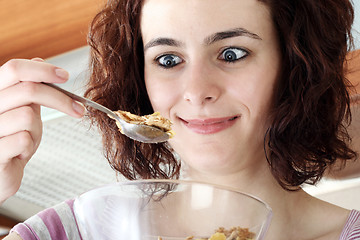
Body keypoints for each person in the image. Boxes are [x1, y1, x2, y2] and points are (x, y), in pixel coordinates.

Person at [1, 0, 360, 239]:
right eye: (168, 60)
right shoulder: (72, 231)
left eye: (232, 54)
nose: (196, 90)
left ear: (295, 65)